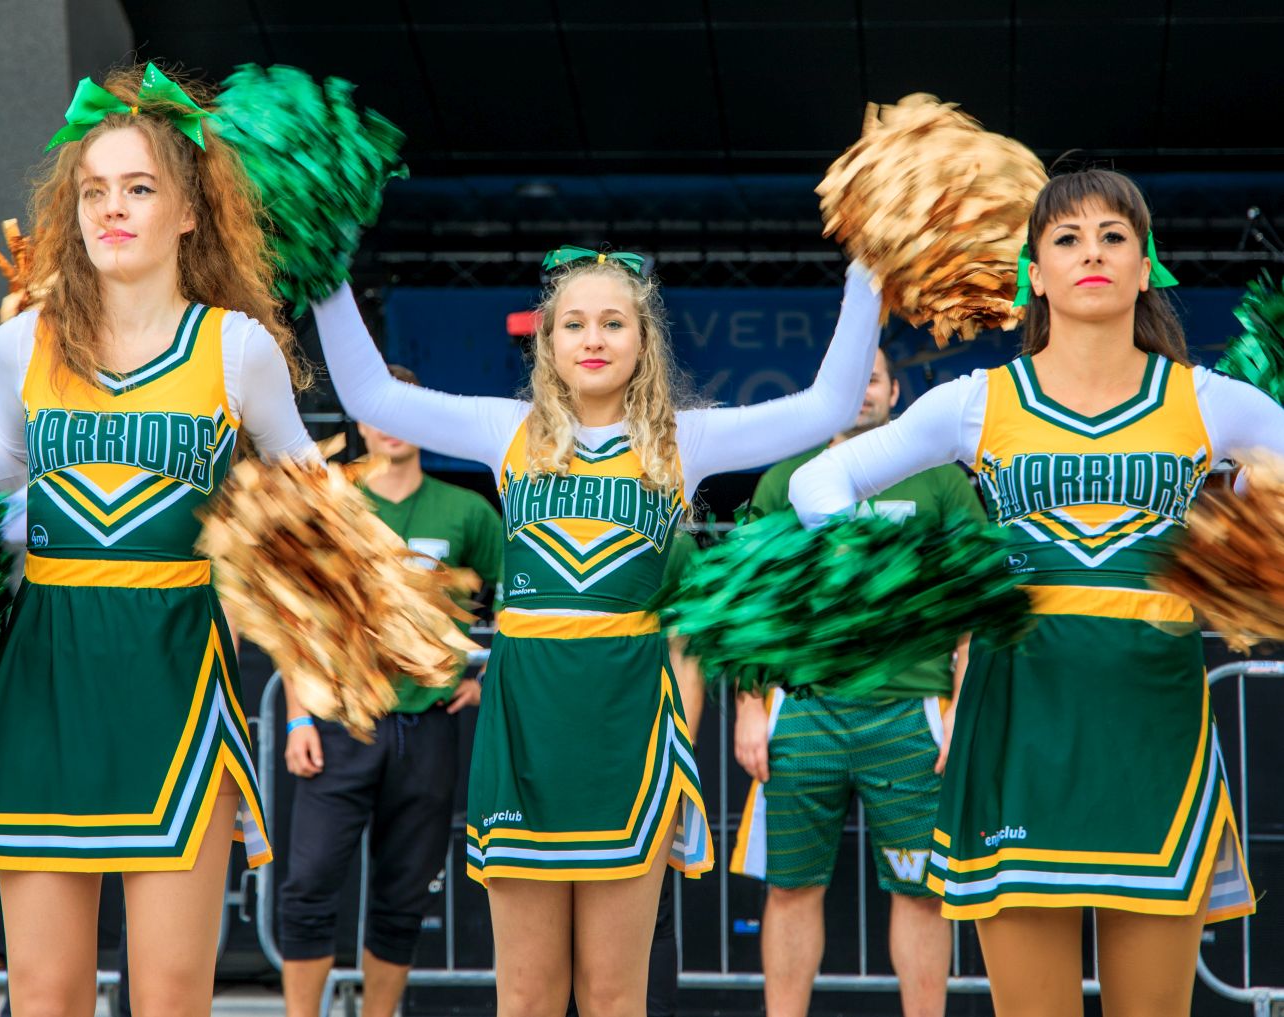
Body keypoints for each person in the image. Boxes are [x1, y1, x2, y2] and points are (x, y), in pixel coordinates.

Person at [311, 246, 882, 1017]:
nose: (593, 338)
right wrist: (326, 268)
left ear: (644, 341)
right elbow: (369, 391)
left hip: (627, 729)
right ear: (547, 341)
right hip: (525, 728)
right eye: (574, 323)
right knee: (527, 997)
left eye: (614, 323)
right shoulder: (506, 430)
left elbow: (827, 406)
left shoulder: (682, 440)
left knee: (614, 994)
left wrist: (868, 271)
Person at [790, 167, 1284, 1017]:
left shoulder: (1211, 401)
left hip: (1152, 729)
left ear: (1146, 268)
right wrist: (909, 579)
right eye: (1067, 238)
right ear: (1035, 275)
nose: (1092, 253)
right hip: (1017, 722)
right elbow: (818, 483)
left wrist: (1246, 513)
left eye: (1114, 237)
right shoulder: (977, 402)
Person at [0, 63, 318, 1017]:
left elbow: (308, 497)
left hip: (176, 675)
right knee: (45, 994)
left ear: (189, 212)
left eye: (139, 188)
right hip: (47, 674)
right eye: (94, 191)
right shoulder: (23, 343)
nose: (112, 208)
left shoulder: (236, 348)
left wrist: (337, 613)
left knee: (169, 996)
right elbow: (5, 456)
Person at [729, 348, 976, 1017]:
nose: (863, 390)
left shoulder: (940, 480)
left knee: (921, 892)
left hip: (910, 712)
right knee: (789, 888)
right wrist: (749, 705)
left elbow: (974, 600)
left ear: (895, 392)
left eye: (875, 378)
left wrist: (962, 705)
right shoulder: (785, 479)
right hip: (804, 711)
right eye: (852, 379)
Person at [278, 364, 504, 1017]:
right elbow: (295, 618)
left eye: (405, 410)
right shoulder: (330, 502)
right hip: (339, 722)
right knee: (308, 885)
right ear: (360, 419)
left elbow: (523, 598)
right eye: (379, 410)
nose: (391, 425)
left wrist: (487, 677)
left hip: (426, 726)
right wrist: (297, 718)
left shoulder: (467, 510)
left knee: (403, 896)